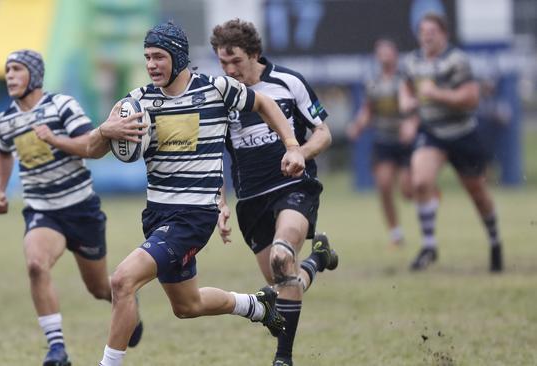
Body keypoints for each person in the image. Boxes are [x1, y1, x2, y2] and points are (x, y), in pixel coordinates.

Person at [87, 21, 306, 366]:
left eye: (158, 56)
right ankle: (257, 305)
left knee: (122, 280)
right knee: (187, 306)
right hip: (157, 215)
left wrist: (292, 145)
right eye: (147, 57)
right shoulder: (138, 102)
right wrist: (105, 130)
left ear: (177, 55)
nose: (151, 65)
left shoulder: (217, 89)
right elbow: (91, 149)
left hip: (193, 216)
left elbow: (264, 104)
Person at [0, 49, 143, 366]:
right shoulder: (5, 121)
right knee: (36, 265)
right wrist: (0, 191)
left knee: (100, 287)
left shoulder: (62, 106)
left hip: (81, 209)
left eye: (17, 69)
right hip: (43, 210)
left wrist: (55, 140)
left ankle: (127, 305)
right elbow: (3, 152)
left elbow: (90, 146)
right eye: (7, 70)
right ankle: (57, 349)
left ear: (33, 75)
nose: (9, 76)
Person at [210, 19, 338, 366]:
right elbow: (213, 156)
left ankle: (283, 359)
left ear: (254, 53)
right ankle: (318, 260)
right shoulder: (222, 96)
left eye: (235, 61)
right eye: (223, 63)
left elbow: (323, 133)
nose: (229, 70)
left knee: (282, 257)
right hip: (251, 201)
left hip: (293, 189)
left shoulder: (288, 82)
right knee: (285, 283)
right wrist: (220, 205)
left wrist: (299, 152)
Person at [398, 13, 504, 272]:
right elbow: (407, 88)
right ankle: (429, 246)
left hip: (462, 133)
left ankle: (495, 241)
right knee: (421, 181)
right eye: (423, 31)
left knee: (477, 193)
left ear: (444, 34)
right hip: (432, 132)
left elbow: (471, 98)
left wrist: (438, 95)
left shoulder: (457, 61)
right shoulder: (413, 61)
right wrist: (407, 107)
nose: (427, 35)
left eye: (432, 30)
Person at [347, 38, 413, 247]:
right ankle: (395, 233)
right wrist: (358, 125)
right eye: (380, 52)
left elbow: (414, 106)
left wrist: (410, 123)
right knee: (384, 186)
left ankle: (427, 194)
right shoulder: (373, 81)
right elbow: (368, 109)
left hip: (404, 141)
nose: (384, 56)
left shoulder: (405, 79)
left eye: (387, 51)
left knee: (407, 190)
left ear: (395, 54)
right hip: (383, 140)